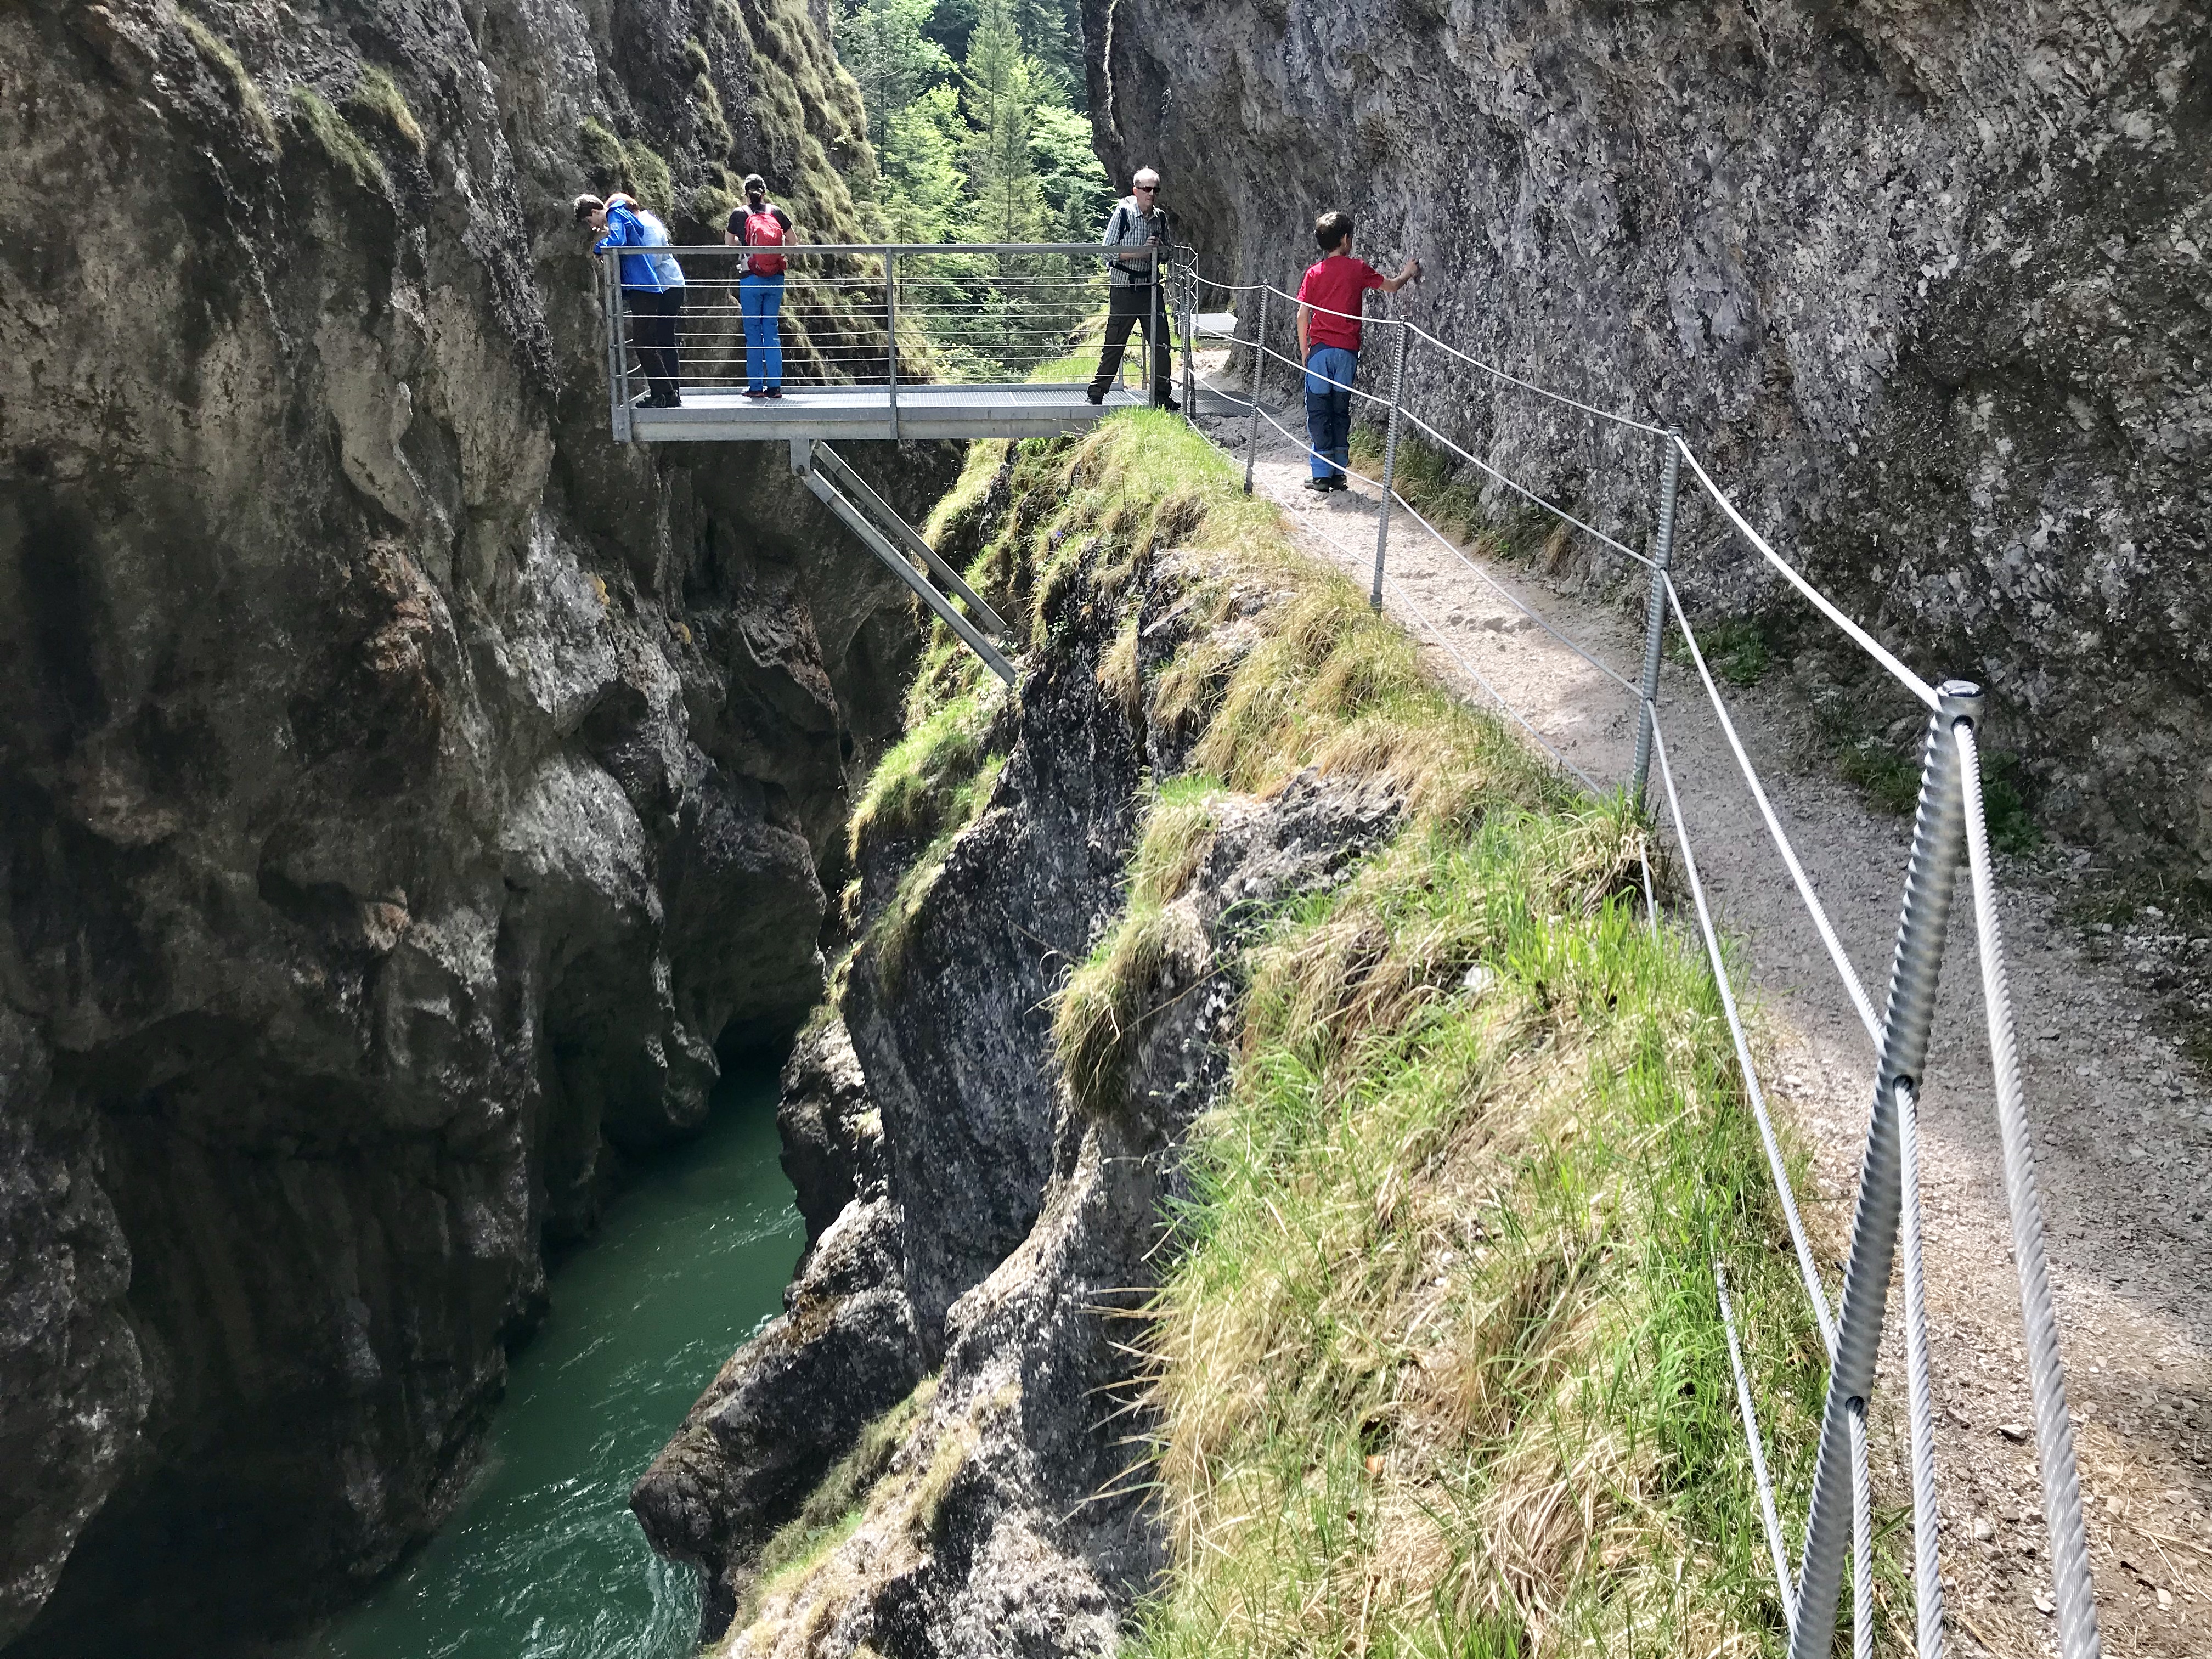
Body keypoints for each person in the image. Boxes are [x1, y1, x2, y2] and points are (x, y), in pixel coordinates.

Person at [1295, 210, 1420, 491]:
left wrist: (1305, 351)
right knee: (1341, 410)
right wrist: (1408, 273)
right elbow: (1391, 286)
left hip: (1320, 351)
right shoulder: (1358, 268)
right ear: (1345, 240)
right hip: (1347, 353)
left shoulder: (1314, 274)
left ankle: (1321, 474)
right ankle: (1339, 473)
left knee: (1318, 411)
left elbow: (1302, 316)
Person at [577, 191, 686, 408]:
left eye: (590, 220)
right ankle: (663, 393)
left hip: (645, 286)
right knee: (648, 342)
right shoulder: (623, 217)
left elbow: (619, 240)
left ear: (595, 211)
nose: (593, 226)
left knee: (646, 343)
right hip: (646, 286)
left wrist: (599, 248)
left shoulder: (617, 215)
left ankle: (666, 393)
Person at [1086, 167, 1178, 410]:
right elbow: (1107, 252)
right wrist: (1140, 251)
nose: (1152, 194)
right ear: (1136, 191)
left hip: (1150, 288)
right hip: (1124, 289)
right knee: (1115, 343)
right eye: (1147, 189)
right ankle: (1097, 393)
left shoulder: (1161, 218)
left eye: (1156, 189)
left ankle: (1161, 396)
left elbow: (1168, 254)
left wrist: (1158, 249)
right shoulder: (1123, 214)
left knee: (1161, 344)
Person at [725, 174, 792, 399]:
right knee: (771, 330)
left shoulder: (739, 215)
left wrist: (745, 244)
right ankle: (775, 388)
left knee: (753, 332)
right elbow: (793, 241)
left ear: (746, 192)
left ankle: (755, 387)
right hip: (775, 277)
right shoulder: (776, 212)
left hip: (750, 277)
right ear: (764, 192)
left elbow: (728, 244)